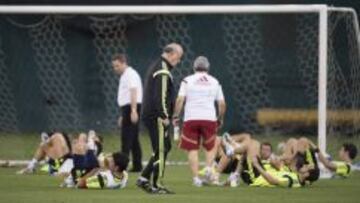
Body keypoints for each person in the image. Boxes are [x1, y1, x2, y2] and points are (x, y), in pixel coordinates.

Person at [136, 43, 183, 194]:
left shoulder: (160, 66)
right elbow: (160, 95)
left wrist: (170, 115)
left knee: (164, 146)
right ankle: (157, 185)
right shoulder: (162, 69)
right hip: (156, 116)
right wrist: (164, 115)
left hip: (152, 114)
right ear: (170, 53)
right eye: (178, 56)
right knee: (162, 149)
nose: (179, 60)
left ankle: (143, 178)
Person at [172, 56, 226, 187]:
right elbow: (222, 103)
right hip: (209, 119)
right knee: (210, 146)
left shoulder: (187, 80)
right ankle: (208, 168)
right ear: (208, 68)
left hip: (191, 118)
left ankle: (196, 178)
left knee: (192, 149)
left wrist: (175, 116)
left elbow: (180, 100)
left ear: (194, 67)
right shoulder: (215, 81)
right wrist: (220, 118)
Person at [112, 53, 143, 172]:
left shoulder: (130, 74)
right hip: (128, 108)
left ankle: (121, 167)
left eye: (117, 66)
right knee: (134, 139)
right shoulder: (125, 75)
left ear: (124, 63)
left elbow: (133, 91)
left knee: (126, 138)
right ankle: (137, 166)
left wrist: (133, 110)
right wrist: (123, 114)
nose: (115, 69)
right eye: (114, 66)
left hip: (132, 107)